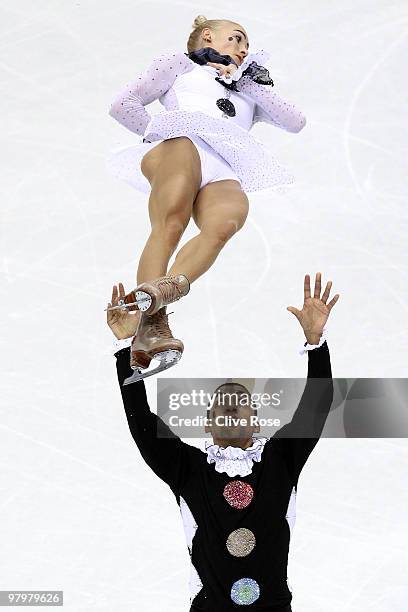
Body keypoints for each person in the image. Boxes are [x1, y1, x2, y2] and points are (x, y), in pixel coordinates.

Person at [106, 273, 339, 609]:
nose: (231, 407)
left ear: (256, 421)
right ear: (207, 423)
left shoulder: (281, 460)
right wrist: (124, 351)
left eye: (241, 402)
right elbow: (141, 420)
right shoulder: (188, 469)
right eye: (221, 405)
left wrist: (316, 344)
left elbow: (318, 405)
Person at [105, 15, 306, 381]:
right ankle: (151, 327)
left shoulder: (246, 86)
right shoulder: (177, 65)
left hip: (223, 165)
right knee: (171, 223)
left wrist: (249, 81)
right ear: (208, 36)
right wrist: (161, 132)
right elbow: (123, 105)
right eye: (237, 38)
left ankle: (167, 288)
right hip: (182, 145)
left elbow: (295, 122)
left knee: (226, 222)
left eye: (246, 43)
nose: (244, 47)